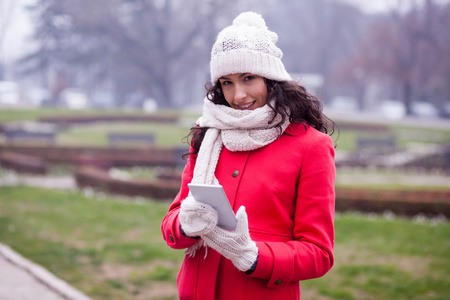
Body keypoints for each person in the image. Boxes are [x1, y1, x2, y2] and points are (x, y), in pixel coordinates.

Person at [161, 11, 336, 300]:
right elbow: (172, 222)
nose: (238, 94)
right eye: (227, 82)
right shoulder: (206, 136)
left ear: (271, 79)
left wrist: (254, 255)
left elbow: (318, 253)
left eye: (248, 78)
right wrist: (184, 225)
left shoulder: (311, 146)